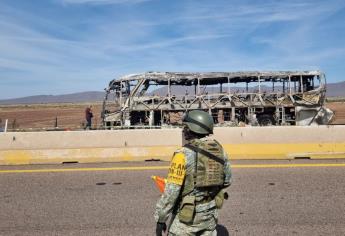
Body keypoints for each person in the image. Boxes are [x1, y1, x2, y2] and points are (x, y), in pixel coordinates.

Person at [154, 110, 232, 236]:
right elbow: (227, 180)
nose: (183, 130)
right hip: (210, 216)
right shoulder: (219, 150)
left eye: (185, 127)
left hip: (186, 220)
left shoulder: (182, 155)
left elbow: (171, 194)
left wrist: (160, 219)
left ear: (190, 130)